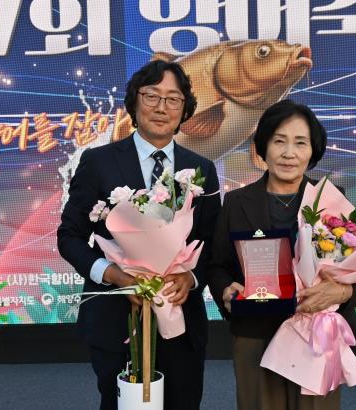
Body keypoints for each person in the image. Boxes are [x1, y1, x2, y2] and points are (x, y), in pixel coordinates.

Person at [57, 60, 221, 410]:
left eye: (173, 99)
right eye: (151, 96)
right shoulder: (98, 162)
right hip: (116, 318)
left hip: (180, 318)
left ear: (185, 109)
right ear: (134, 101)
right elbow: (69, 236)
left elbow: (212, 244)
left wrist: (191, 277)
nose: (162, 108)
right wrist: (113, 275)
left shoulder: (202, 169)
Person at [207, 99, 356, 410]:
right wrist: (226, 291)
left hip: (317, 336)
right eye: (279, 141)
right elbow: (217, 266)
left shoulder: (332, 200)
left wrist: (343, 292)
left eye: (300, 143)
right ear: (263, 147)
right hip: (256, 333)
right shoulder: (236, 202)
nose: (288, 153)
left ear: (313, 150)